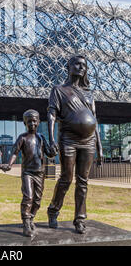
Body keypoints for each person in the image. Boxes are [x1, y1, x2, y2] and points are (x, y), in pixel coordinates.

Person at [47, 55, 103, 234]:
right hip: (69, 140)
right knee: (66, 178)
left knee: (83, 181)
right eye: (77, 64)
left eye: (84, 65)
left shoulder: (89, 93)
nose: (81, 67)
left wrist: (100, 148)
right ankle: (53, 210)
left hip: (89, 142)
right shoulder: (59, 90)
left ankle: (80, 219)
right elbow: (51, 115)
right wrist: (51, 139)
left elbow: (94, 121)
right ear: (69, 67)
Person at [8, 109, 53, 237]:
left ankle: (31, 218)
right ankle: (26, 222)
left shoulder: (41, 137)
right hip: (27, 172)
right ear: (25, 123)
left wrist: (55, 149)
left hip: (40, 173)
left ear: (38, 122)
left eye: (34, 121)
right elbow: (14, 152)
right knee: (28, 197)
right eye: (29, 121)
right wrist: (10, 164)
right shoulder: (22, 137)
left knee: (37, 200)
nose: (32, 123)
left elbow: (49, 153)